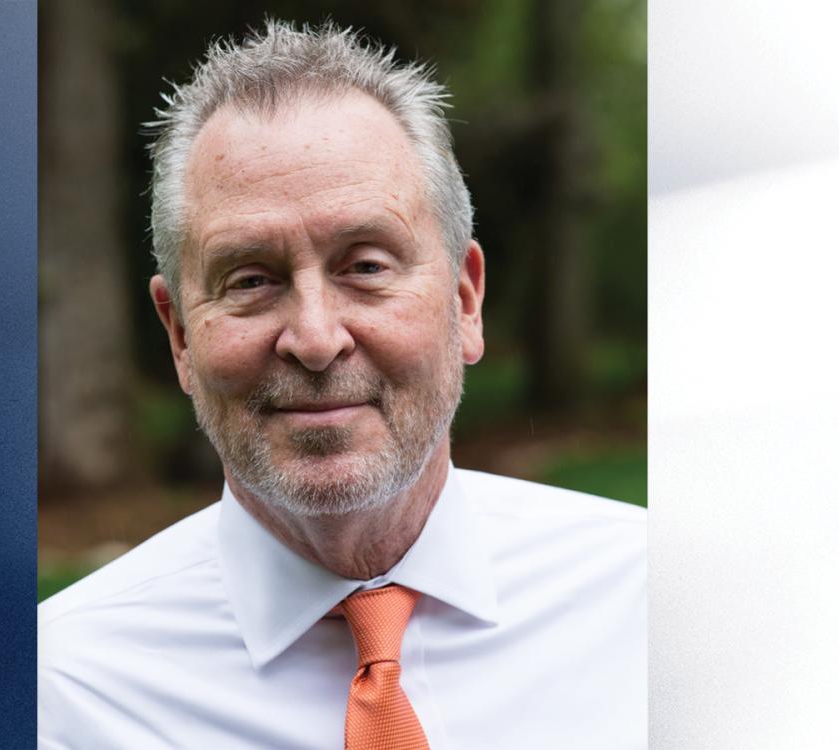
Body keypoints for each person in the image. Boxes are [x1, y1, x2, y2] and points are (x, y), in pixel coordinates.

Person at [38, 20, 645, 750]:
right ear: (180, 338)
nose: (317, 340)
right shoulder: (58, 693)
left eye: (366, 266)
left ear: (465, 300)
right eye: (251, 280)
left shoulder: (659, 601)